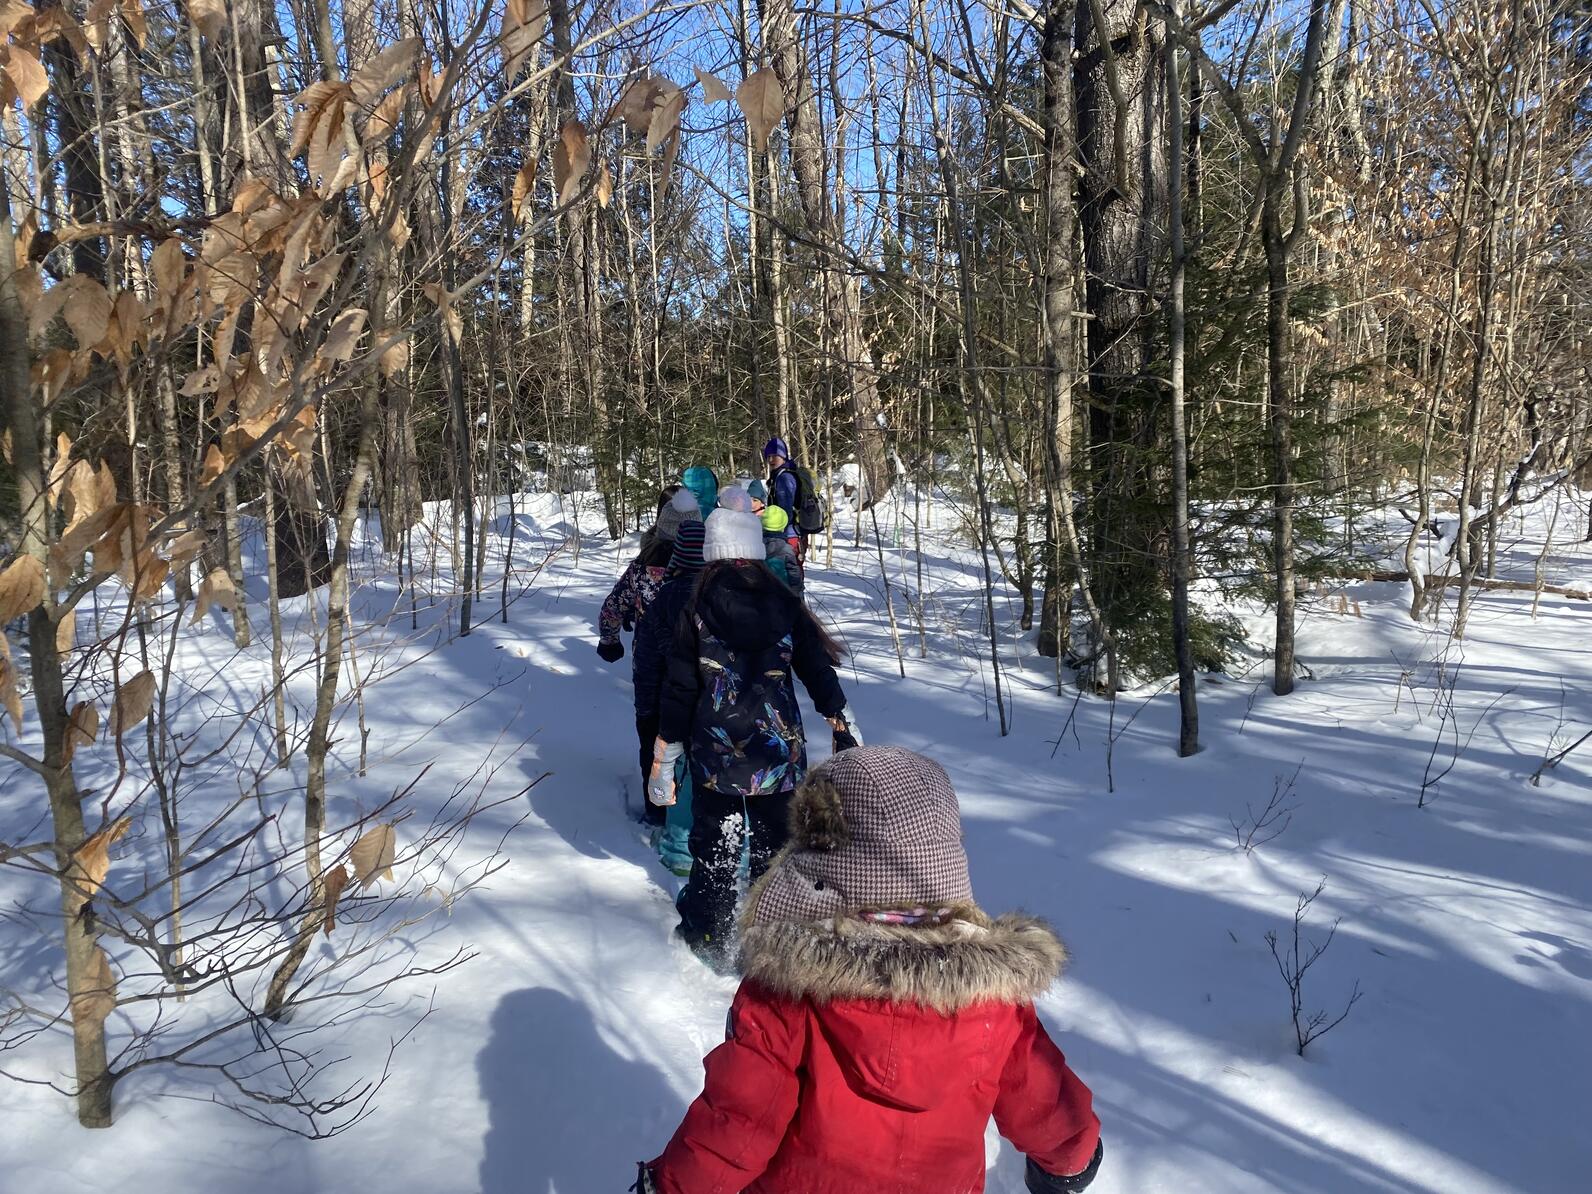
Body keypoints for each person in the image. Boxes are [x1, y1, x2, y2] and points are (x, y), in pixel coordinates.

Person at [636, 746, 1104, 1194]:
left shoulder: (789, 988)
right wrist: (1071, 1160)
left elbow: (739, 1119)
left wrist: (672, 1185)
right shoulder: (993, 998)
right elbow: (1041, 1096)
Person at [648, 506, 857, 970]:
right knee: (776, 853)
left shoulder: (694, 607)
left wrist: (667, 751)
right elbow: (816, 671)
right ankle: (775, 945)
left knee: (717, 850)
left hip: (715, 754)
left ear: (712, 554)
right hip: (779, 752)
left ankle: (708, 933)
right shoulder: (785, 603)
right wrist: (840, 719)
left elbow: (680, 687)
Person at [598, 487, 700, 821]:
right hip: (696, 670)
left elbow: (611, 609)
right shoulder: (707, 572)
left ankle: (657, 812)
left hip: (650, 668)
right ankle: (688, 811)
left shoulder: (642, 570)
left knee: (651, 738)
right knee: (690, 738)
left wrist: (610, 640)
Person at [631, 517, 707, 876]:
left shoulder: (663, 598)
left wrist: (645, 706)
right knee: (703, 772)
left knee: (671, 766)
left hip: (667, 701)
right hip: (713, 705)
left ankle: (677, 846)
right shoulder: (718, 594)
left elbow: (647, 657)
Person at [760, 504, 802, 596]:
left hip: (761, 594)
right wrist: (797, 594)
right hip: (783, 594)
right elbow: (793, 573)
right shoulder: (786, 549)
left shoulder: (756, 545)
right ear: (783, 527)